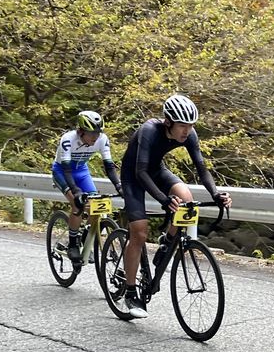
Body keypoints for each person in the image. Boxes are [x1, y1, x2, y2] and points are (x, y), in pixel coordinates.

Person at [120, 94, 232, 318]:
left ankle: (167, 243)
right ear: (168, 122)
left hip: (157, 170)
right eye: (182, 125)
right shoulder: (149, 130)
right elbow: (140, 172)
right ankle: (131, 292)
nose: (187, 131)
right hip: (134, 175)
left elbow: (202, 170)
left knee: (186, 197)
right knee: (139, 233)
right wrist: (163, 199)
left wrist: (216, 193)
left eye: (190, 126)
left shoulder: (190, 135)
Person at [52, 111, 122, 263]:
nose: (95, 137)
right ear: (80, 131)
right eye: (91, 133)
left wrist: (119, 185)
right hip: (63, 172)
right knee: (77, 205)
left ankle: (84, 239)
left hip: (82, 171)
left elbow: (109, 167)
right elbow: (66, 169)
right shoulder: (68, 139)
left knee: (95, 206)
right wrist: (76, 191)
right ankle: (72, 244)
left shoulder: (102, 139)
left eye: (97, 133)